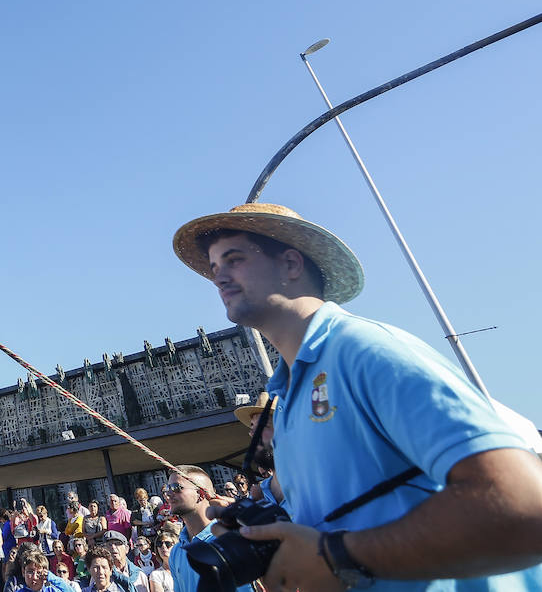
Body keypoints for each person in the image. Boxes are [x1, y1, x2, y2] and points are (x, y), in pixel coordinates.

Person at [173, 202, 542, 591]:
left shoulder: (362, 351)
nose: (220, 278)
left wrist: (338, 556)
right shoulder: (288, 401)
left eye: (234, 260)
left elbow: (525, 505)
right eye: (214, 269)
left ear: (292, 264)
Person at [158, 467, 247, 592]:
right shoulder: (176, 552)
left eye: (176, 487)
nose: (168, 494)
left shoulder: (228, 542)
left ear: (200, 494)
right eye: (168, 489)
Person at [3, 548, 69, 592]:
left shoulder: (51, 590)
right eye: (30, 572)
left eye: (39, 573)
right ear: (23, 572)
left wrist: (52, 578)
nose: (34, 577)